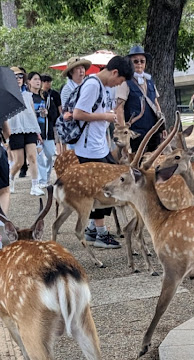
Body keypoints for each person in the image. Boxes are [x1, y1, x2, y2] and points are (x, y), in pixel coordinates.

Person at [72, 55, 133, 249]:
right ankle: (100, 232)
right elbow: (78, 113)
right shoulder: (93, 85)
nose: (118, 84)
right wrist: (105, 116)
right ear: (114, 73)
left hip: (99, 146)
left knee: (107, 186)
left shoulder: (104, 87)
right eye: (120, 81)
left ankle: (92, 228)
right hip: (89, 149)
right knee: (102, 189)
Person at [115, 45, 165, 152]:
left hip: (153, 131)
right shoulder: (125, 82)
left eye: (142, 61)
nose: (139, 64)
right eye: (136, 61)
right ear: (130, 63)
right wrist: (123, 130)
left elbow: (156, 103)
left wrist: (162, 126)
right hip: (136, 132)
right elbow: (119, 108)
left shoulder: (150, 81)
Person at [7, 67, 43, 196]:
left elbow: (32, 113)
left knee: (33, 157)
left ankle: (35, 185)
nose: (18, 80)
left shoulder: (28, 95)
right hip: (15, 130)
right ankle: (10, 179)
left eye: (20, 77)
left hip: (29, 129)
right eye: (15, 77)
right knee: (19, 161)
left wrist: (37, 132)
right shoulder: (8, 95)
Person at [37, 73, 60, 187]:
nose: (47, 84)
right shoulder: (33, 96)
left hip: (49, 130)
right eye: (45, 81)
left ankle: (47, 176)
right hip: (36, 131)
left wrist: (48, 113)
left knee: (50, 154)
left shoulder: (53, 95)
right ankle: (41, 180)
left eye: (49, 82)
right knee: (39, 156)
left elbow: (56, 112)